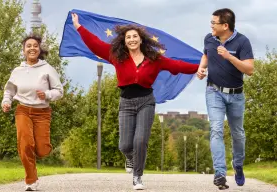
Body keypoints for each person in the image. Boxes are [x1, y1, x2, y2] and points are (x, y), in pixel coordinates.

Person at [71, 13, 199, 190]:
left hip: (146, 101)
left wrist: (200, 67)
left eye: (135, 37)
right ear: (124, 41)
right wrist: (79, 27)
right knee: (124, 145)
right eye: (128, 37)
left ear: (141, 40)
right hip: (126, 103)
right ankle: (129, 158)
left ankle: (137, 177)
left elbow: (177, 65)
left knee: (140, 141)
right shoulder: (117, 57)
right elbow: (95, 44)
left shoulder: (154, 59)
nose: (131, 39)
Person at [197, 8, 254, 190]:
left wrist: (229, 57)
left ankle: (238, 165)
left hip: (236, 95)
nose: (211, 25)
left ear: (225, 25)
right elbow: (206, 54)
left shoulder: (242, 42)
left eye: (214, 23)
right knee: (216, 130)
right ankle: (220, 173)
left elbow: (249, 69)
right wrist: (201, 68)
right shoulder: (209, 38)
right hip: (214, 91)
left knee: (238, 134)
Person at [1, 33, 64, 191]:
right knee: (25, 144)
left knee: (42, 150)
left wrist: (47, 94)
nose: (32, 48)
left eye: (35, 46)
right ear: (23, 50)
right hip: (22, 110)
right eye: (28, 46)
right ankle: (31, 180)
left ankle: (40, 152)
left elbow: (59, 91)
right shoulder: (17, 71)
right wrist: (6, 101)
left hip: (42, 112)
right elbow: (9, 90)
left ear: (39, 49)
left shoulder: (47, 68)